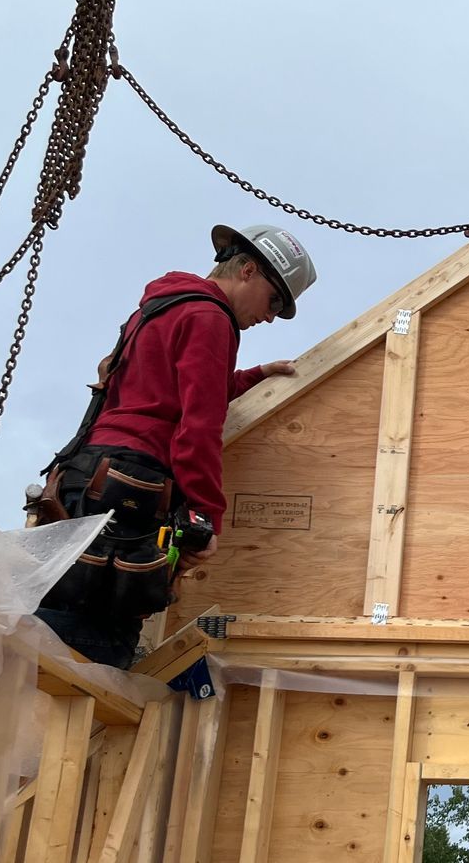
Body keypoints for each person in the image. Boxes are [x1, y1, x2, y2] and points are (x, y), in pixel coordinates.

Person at [34, 221, 316, 667]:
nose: (269, 316)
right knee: (97, 648)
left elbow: (165, 386)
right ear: (247, 271)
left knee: (56, 612)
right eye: (274, 300)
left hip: (89, 475)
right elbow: (198, 425)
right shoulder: (210, 318)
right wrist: (206, 517)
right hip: (133, 484)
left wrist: (254, 376)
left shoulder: (164, 306)